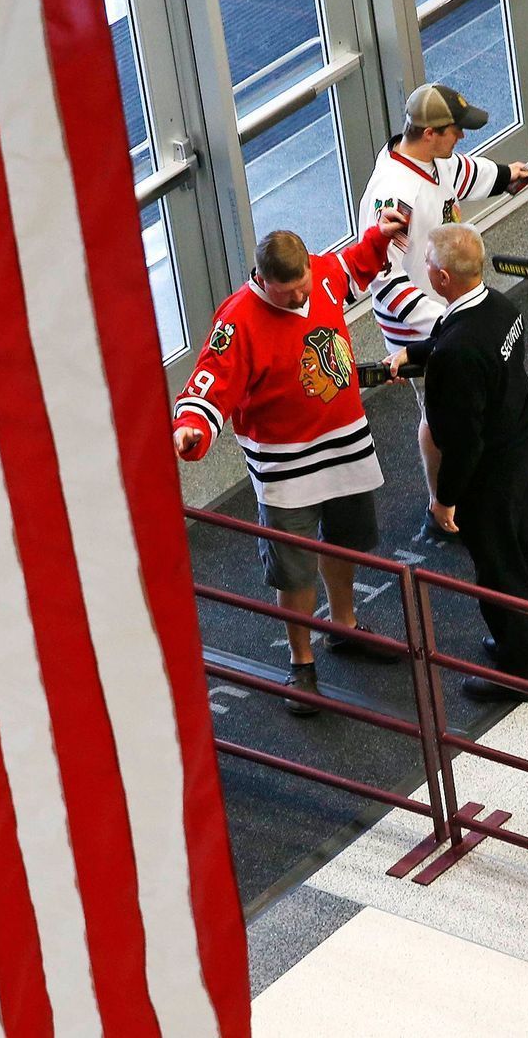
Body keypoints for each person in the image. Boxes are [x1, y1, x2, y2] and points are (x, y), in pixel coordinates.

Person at [173, 214, 410, 715]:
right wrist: (192, 429)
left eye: (303, 288)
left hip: (344, 444)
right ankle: (301, 663)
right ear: (262, 281)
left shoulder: (319, 275)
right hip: (286, 468)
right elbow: (208, 383)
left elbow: (349, 266)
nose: (301, 300)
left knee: (347, 542)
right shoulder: (236, 321)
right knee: (294, 570)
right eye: (289, 295)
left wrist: (378, 238)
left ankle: (343, 626)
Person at [355, 83, 528, 544]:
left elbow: (461, 173)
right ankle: (441, 510)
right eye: (456, 130)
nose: (462, 137)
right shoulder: (391, 196)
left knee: (477, 400)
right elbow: (382, 280)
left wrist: (505, 174)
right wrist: (445, 326)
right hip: (423, 325)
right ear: (431, 132)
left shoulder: (432, 157)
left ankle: (486, 481)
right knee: (440, 418)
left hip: (457, 311)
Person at [402, 224, 528, 701]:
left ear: (443, 277)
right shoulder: (500, 306)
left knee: (498, 566)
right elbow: (466, 340)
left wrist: (444, 500)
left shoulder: (456, 352)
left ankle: (517, 668)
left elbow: (463, 444)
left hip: (492, 474)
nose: (424, 267)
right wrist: (415, 353)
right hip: (523, 445)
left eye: (427, 262)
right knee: (525, 546)